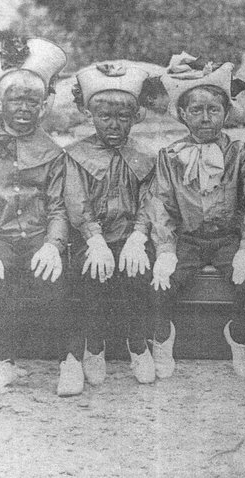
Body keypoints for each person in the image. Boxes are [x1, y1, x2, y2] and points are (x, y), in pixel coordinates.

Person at [142, 52, 245, 379]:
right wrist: (165, 250)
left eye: (214, 109)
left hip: (227, 239)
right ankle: (163, 337)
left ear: (226, 112)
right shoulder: (170, 156)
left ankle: (238, 335)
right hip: (188, 240)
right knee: (160, 283)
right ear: (182, 114)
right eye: (196, 110)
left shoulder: (241, 153)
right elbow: (161, 203)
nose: (205, 117)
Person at [0, 33, 70, 395]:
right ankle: (2, 362)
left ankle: (70, 360)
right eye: (15, 99)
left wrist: (54, 244)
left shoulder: (53, 154)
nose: (23, 107)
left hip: (39, 235)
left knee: (56, 279)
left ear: (42, 107)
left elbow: (58, 207)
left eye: (32, 100)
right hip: (1, 238)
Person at [59, 60, 164, 395]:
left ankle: (137, 342)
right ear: (92, 117)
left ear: (134, 117)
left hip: (130, 236)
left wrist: (138, 235)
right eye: (105, 117)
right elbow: (77, 202)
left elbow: (152, 200)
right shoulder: (76, 155)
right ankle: (93, 345)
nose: (114, 125)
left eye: (123, 117)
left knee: (137, 273)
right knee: (89, 274)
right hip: (94, 239)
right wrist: (95, 240)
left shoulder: (145, 156)